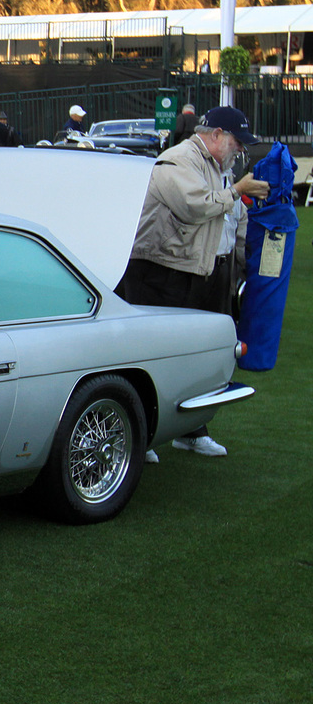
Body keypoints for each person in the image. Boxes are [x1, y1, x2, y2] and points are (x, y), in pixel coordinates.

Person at [117, 105, 269, 457]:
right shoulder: (179, 158)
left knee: (199, 358)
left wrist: (243, 262)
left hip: (204, 271)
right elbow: (194, 206)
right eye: (236, 141)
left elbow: (231, 220)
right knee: (154, 356)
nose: (240, 149)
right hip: (163, 271)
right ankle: (141, 434)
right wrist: (237, 191)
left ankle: (191, 430)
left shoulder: (219, 167)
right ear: (215, 135)